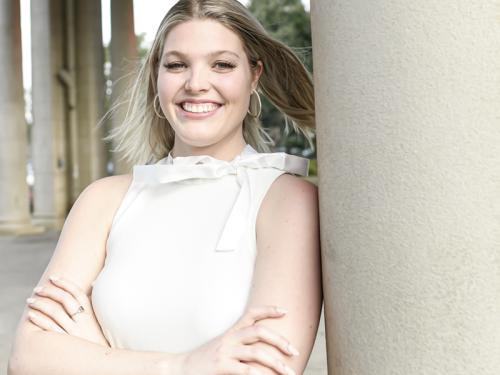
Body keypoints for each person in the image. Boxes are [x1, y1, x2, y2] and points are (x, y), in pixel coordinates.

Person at [8, 1, 322, 374]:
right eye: (176, 64)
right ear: (156, 74)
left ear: (254, 75)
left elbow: (264, 370)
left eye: (222, 64)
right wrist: (186, 365)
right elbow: (27, 359)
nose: (196, 83)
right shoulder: (103, 200)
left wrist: (92, 349)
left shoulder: (288, 202)